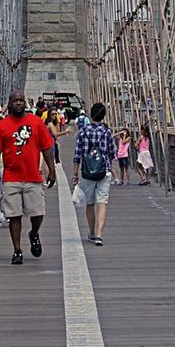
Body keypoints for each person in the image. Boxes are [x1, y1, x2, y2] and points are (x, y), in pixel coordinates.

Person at [0, 89, 56, 264]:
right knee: (14, 215)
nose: (18, 103)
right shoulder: (2, 126)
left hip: (33, 176)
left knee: (38, 213)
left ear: (25, 103)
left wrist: (52, 170)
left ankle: (34, 233)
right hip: (11, 177)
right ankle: (17, 250)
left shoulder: (36, 123)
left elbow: (47, 147)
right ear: (9, 104)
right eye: (15, 100)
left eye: (21, 100)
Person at [72, 102, 117, 246]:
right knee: (102, 202)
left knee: (90, 203)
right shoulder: (107, 132)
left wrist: (75, 174)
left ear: (91, 114)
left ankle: (91, 232)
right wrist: (108, 165)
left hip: (86, 171)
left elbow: (77, 154)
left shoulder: (83, 131)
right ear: (103, 116)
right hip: (104, 170)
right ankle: (99, 235)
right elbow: (112, 152)